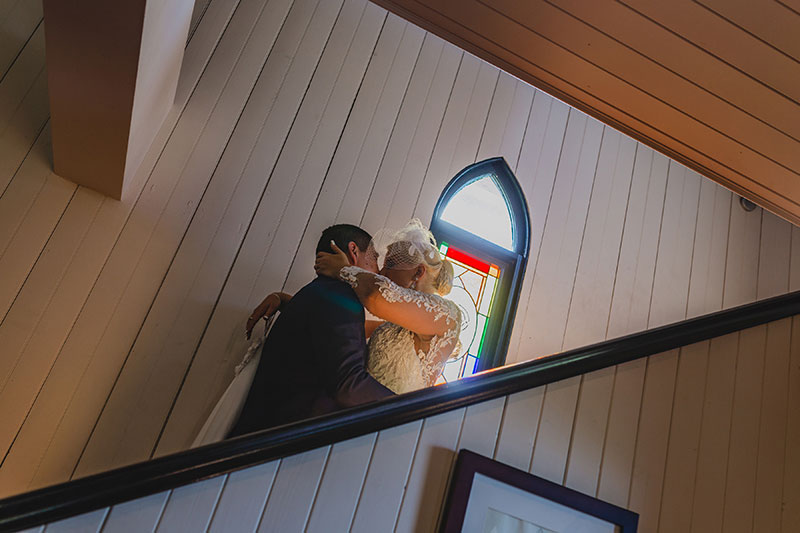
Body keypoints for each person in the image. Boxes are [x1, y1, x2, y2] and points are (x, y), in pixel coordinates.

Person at [250, 219, 462, 395]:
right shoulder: (392, 326)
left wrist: (345, 270)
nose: (381, 272)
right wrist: (284, 300)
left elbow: (374, 295)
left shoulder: (447, 315)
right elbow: (336, 326)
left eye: (390, 265)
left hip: (384, 421)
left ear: (417, 273)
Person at [225, 224, 394, 438]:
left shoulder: (317, 293)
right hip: (282, 438)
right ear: (353, 252)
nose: (378, 270)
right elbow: (348, 384)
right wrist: (405, 407)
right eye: (374, 258)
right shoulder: (341, 299)